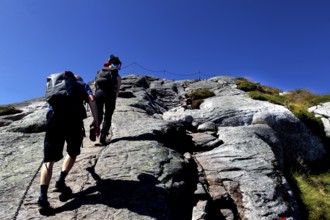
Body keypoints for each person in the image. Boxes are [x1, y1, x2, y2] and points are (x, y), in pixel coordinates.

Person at [38, 73, 100, 215]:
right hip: (74, 121)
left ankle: (42, 197)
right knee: (72, 153)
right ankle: (60, 180)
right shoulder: (82, 85)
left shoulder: (56, 89)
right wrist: (96, 123)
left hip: (53, 119)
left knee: (48, 160)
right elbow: (92, 100)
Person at [91, 54, 121, 145]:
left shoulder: (100, 72)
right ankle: (103, 136)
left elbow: (95, 84)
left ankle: (93, 127)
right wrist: (114, 98)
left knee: (98, 114)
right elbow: (117, 89)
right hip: (110, 93)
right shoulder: (116, 75)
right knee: (108, 115)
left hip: (99, 93)